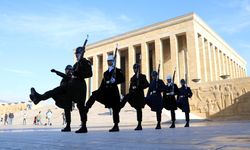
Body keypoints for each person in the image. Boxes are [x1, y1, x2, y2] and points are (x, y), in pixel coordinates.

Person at [29, 46, 92, 133]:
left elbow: (89, 74)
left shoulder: (85, 62)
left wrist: (77, 73)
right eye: (76, 54)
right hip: (72, 86)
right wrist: (58, 72)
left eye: (78, 54)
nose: (76, 55)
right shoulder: (75, 64)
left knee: (81, 106)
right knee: (61, 96)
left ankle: (84, 127)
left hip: (80, 87)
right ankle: (39, 98)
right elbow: (68, 75)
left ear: (81, 53)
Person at [85, 55, 125, 132]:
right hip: (106, 92)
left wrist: (115, 81)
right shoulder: (105, 73)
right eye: (108, 61)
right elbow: (103, 84)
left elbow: (122, 79)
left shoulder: (117, 70)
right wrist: (98, 91)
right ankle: (86, 108)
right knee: (94, 94)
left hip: (113, 92)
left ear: (113, 62)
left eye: (111, 61)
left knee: (115, 109)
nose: (109, 62)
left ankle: (116, 125)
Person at [120, 64, 149, 130]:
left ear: (138, 69)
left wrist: (139, 86)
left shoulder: (142, 76)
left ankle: (139, 124)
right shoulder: (132, 78)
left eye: (136, 68)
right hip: (133, 95)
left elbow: (147, 84)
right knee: (127, 96)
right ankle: (120, 106)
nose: (134, 69)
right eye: (134, 68)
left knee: (139, 110)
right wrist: (132, 91)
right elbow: (130, 88)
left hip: (139, 96)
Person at [51, 65, 73, 131]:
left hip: (68, 97)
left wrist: (56, 71)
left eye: (67, 70)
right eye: (66, 70)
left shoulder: (69, 76)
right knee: (66, 111)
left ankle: (68, 126)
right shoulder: (66, 77)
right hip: (64, 97)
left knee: (67, 112)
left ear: (70, 70)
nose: (66, 71)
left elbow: (63, 75)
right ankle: (68, 126)